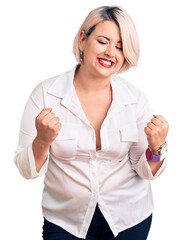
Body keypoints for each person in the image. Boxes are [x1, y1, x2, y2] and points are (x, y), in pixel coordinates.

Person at [14, 5, 169, 240]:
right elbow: (27, 171)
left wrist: (157, 148)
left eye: (120, 46)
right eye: (103, 41)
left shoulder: (135, 99)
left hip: (128, 219)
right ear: (83, 39)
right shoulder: (46, 94)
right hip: (66, 221)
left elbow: (145, 170)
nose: (111, 53)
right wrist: (42, 141)